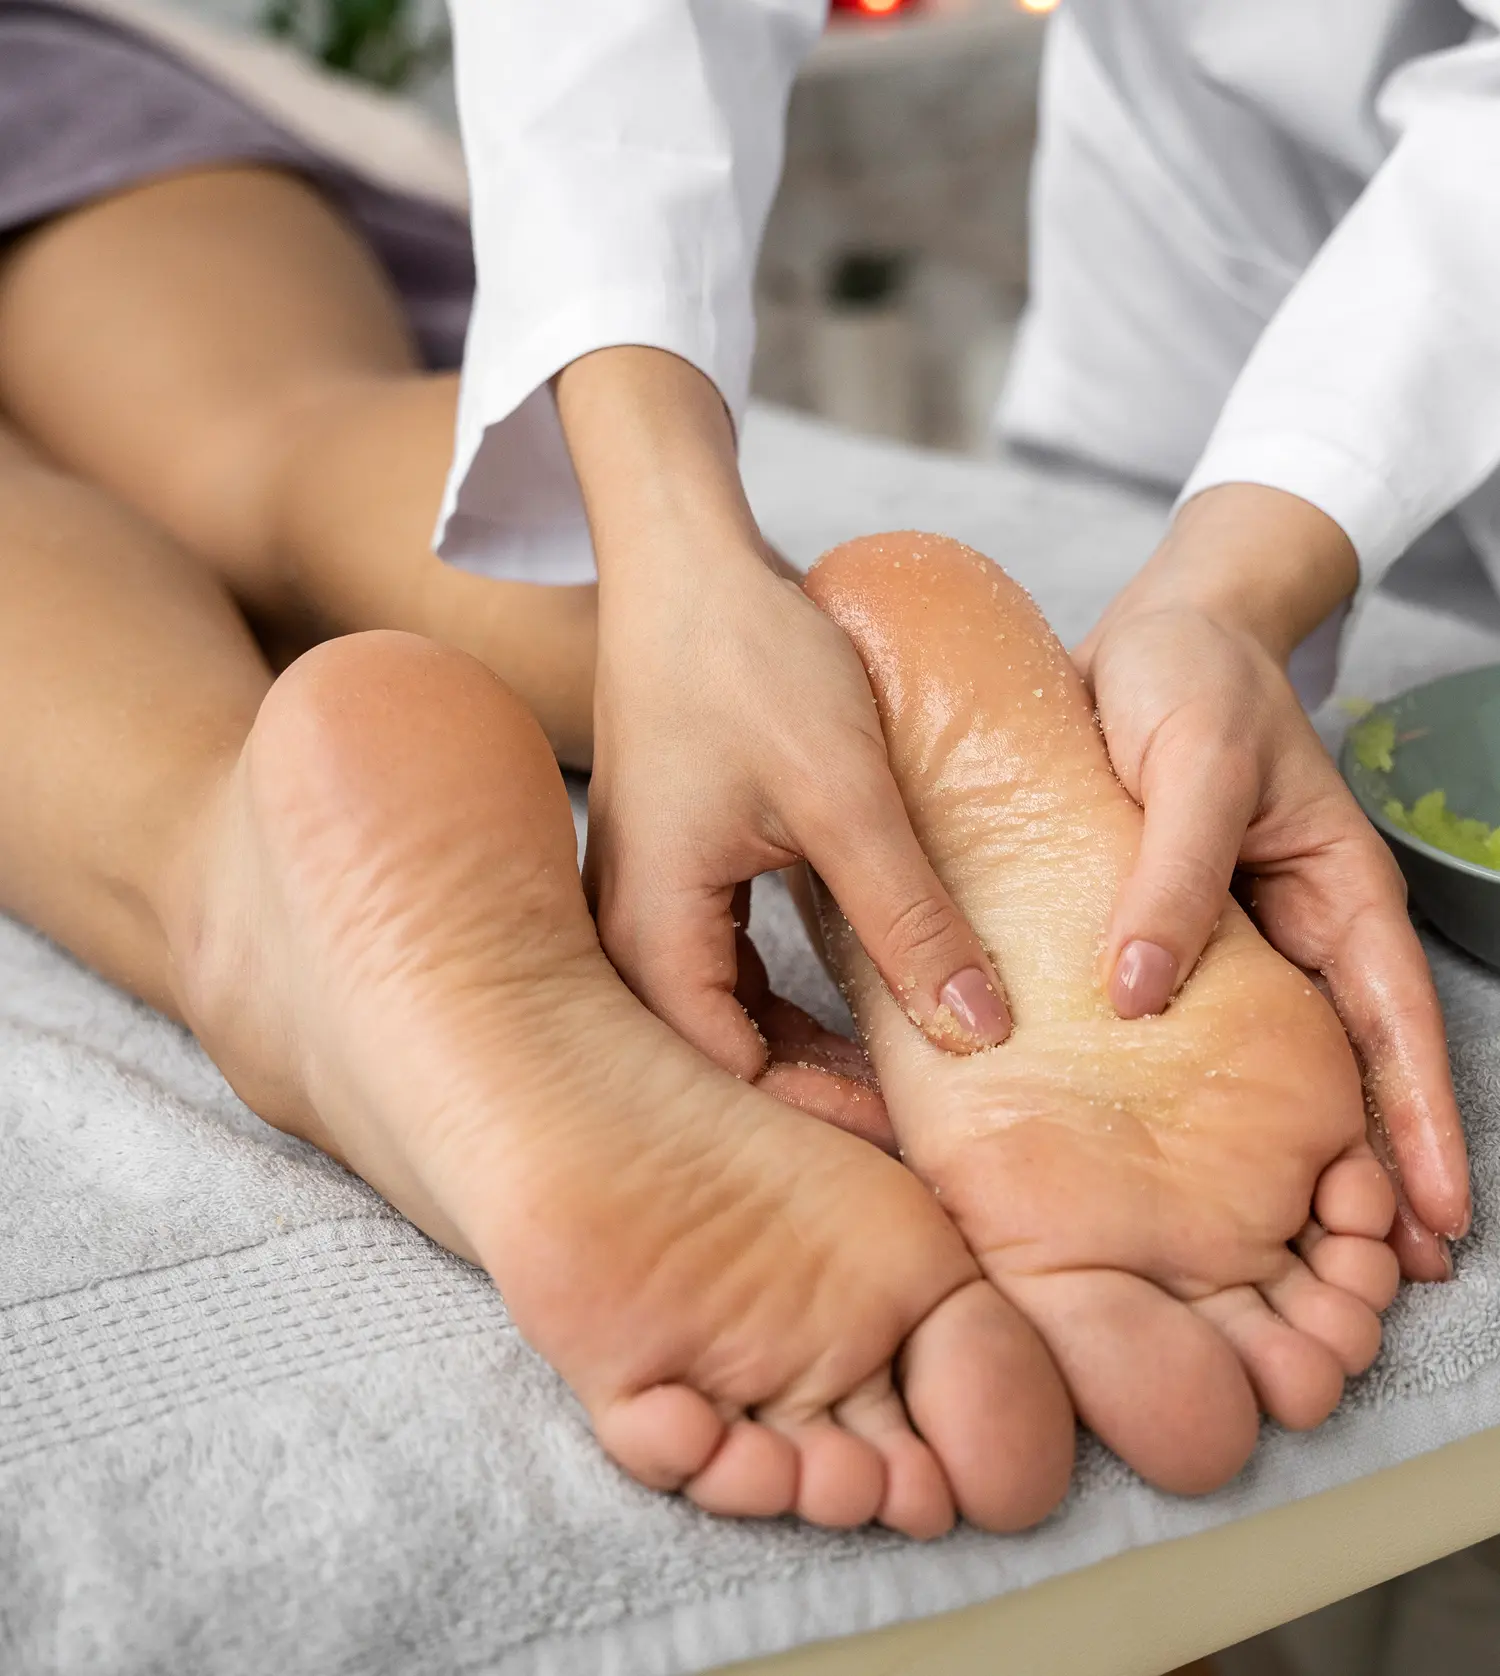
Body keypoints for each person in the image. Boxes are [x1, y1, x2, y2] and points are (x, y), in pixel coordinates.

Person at [439, 0, 1482, 1283]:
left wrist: (1235, 583)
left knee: (273, 464)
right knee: (264, 427)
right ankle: (872, 723)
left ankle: (300, 933)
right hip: (1204, 185)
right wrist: (674, 561)